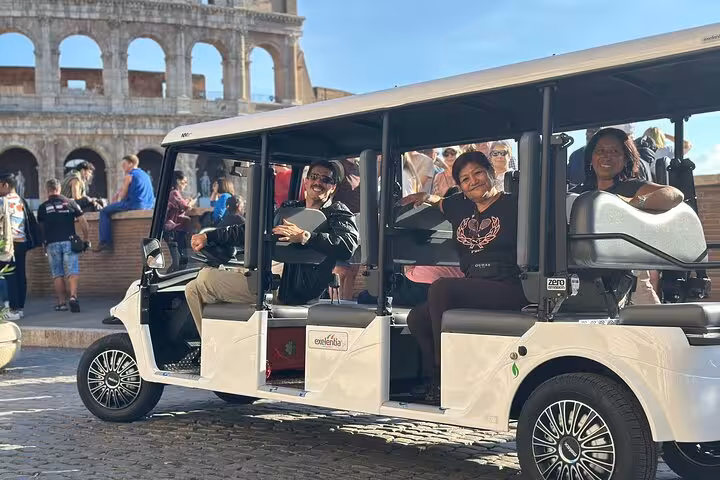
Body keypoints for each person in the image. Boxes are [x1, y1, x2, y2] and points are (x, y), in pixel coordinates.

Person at [170, 161, 360, 371]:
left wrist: (306, 237)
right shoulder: (289, 209)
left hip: (291, 288)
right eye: (314, 176)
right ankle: (219, 347)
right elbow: (251, 230)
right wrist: (210, 236)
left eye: (326, 179)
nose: (318, 182)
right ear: (306, 181)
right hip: (266, 277)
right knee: (192, 288)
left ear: (333, 187)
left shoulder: (337, 213)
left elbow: (347, 246)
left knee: (204, 279)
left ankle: (215, 352)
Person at [399, 152, 529, 402]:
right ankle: (431, 381)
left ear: (491, 173)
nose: (474, 181)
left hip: (509, 285)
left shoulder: (515, 204)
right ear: (461, 187)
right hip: (475, 285)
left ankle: (444, 375)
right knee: (417, 318)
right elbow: (439, 202)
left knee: (441, 289)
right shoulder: (461, 205)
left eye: (478, 173)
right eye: (465, 179)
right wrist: (425, 197)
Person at [580, 127, 684, 305]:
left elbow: (674, 194)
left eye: (614, 152)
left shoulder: (630, 187)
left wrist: (633, 204)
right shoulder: (581, 193)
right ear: (591, 158)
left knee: (652, 331)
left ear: (626, 159)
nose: (607, 156)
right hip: (587, 276)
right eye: (600, 151)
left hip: (629, 279)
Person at [37, 178, 90, 312]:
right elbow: (83, 222)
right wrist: (86, 239)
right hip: (69, 241)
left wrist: (44, 243)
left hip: (52, 243)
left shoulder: (43, 207)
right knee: (72, 271)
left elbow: (41, 228)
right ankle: (73, 297)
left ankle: (61, 303)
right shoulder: (70, 203)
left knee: (58, 274)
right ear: (59, 189)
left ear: (47, 190)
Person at [0, 173, 40, 318]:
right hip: (21, 242)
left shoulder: (2, 201)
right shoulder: (20, 200)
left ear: (5, 185)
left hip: (7, 245)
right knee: (19, 275)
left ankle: (12, 309)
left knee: (8, 275)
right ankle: (19, 308)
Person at [96, 154, 155, 252]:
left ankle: (105, 242)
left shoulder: (129, 175)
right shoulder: (145, 175)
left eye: (124, 164)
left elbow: (123, 194)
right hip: (149, 205)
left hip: (134, 204)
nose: (122, 167)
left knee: (104, 211)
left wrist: (116, 201)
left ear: (131, 164)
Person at [330, 158, 361, 300]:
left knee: (351, 272)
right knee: (339, 271)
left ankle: (345, 307)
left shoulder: (360, 166)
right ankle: (334, 308)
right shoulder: (338, 165)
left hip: (358, 223)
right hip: (340, 223)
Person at [164, 171, 197, 273]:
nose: (185, 184)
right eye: (184, 182)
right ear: (178, 181)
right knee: (178, 261)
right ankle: (168, 280)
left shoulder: (173, 193)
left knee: (181, 260)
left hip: (177, 230)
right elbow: (184, 206)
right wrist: (190, 202)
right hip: (174, 231)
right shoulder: (174, 193)